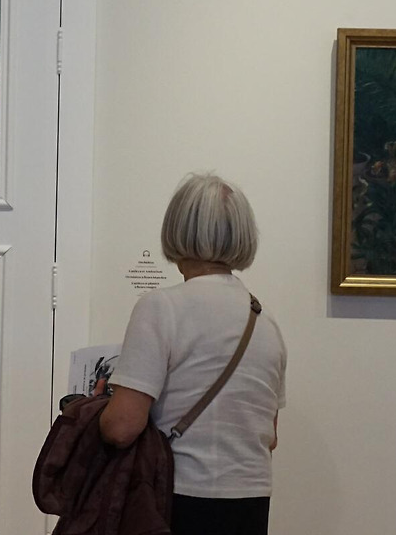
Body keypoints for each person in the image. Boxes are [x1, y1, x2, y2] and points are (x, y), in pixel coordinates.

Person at [97, 173, 287, 535]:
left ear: (177, 228)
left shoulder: (161, 308)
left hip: (177, 498)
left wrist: (97, 408)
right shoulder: (265, 322)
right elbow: (270, 436)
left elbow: (122, 427)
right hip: (252, 502)